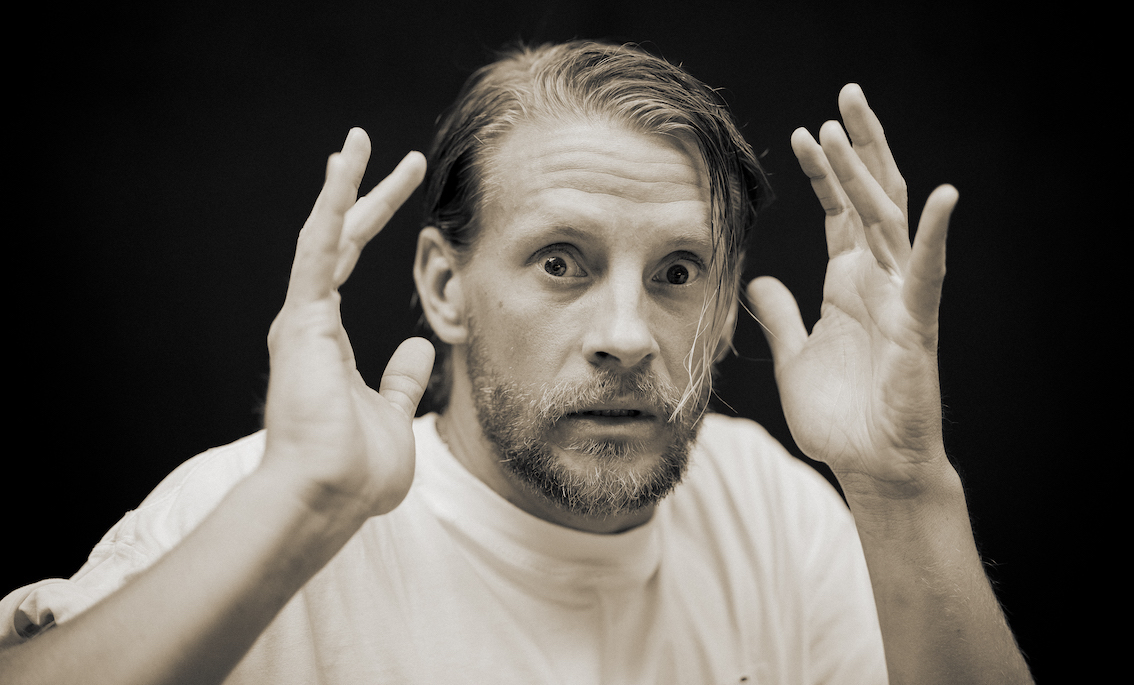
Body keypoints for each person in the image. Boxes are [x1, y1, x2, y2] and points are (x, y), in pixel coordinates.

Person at [0, 41, 1032, 684]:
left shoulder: (772, 507)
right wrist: (302, 502)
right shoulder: (252, 507)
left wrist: (900, 488)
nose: (628, 334)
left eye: (677, 272)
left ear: (724, 308)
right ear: (446, 287)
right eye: (560, 262)